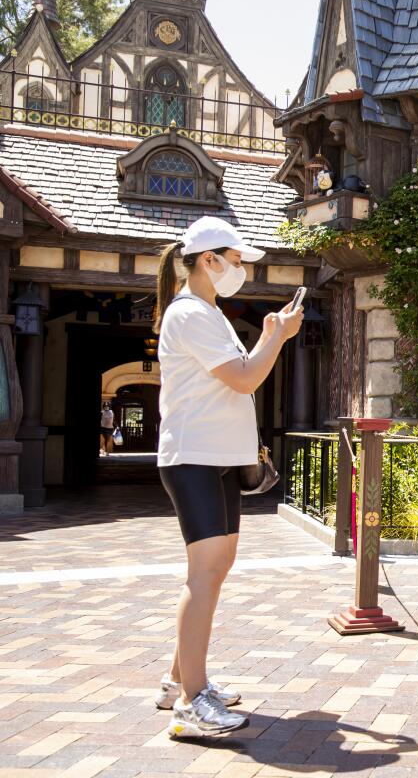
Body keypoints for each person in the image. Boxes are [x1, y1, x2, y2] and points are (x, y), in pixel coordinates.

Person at [153, 216, 303, 737]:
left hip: (215, 455)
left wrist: (266, 335)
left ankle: (181, 681)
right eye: (236, 261)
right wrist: (278, 338)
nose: (242, 271)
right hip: (194, 455)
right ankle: (192, 701)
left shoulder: (209, 314)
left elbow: (236, 376)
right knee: (205, 573)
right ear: (208, 260)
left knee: (214, 569)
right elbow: (244, 380)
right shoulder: (190, 313)